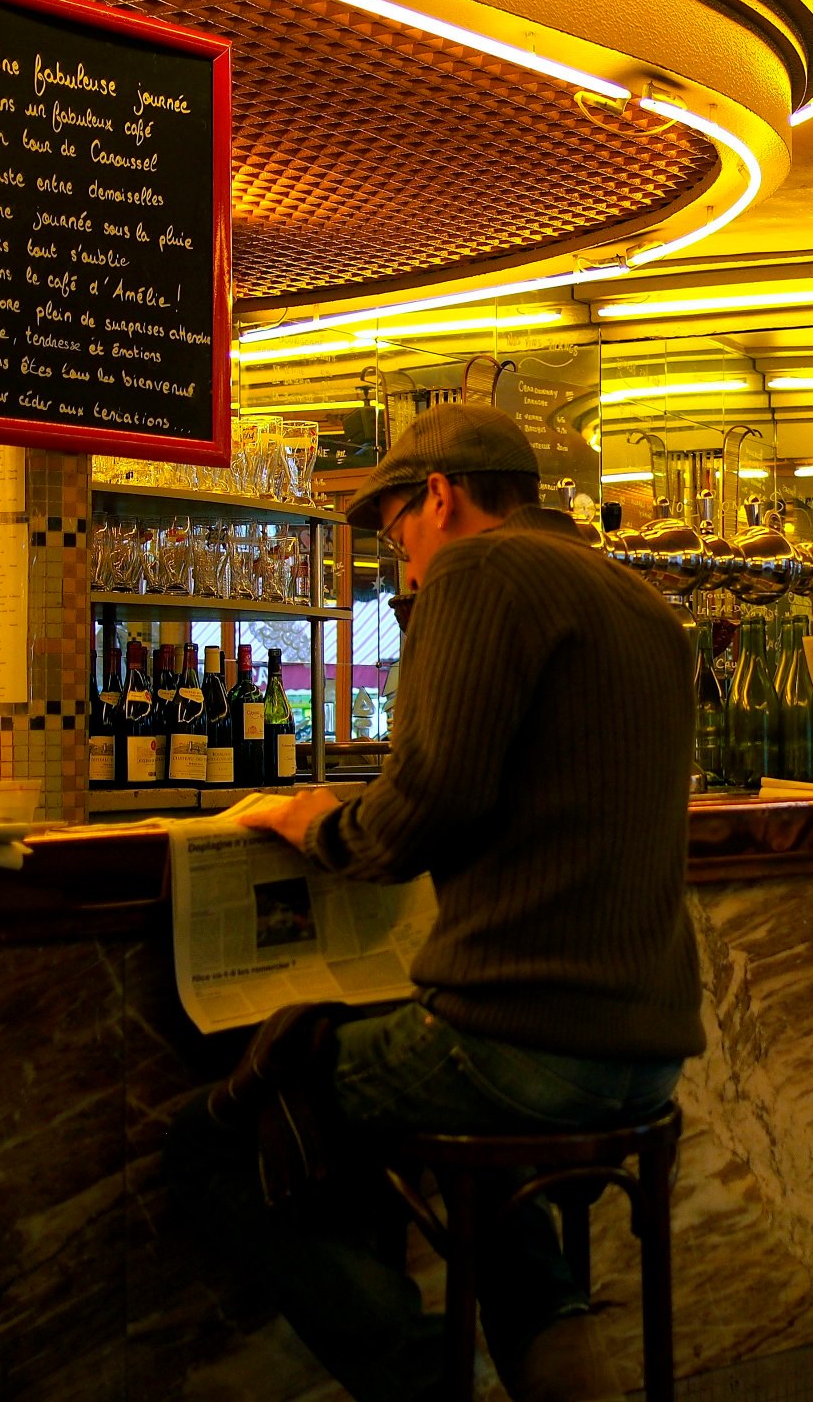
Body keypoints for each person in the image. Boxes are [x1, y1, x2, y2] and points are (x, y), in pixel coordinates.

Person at [165, 403, 704, 1402]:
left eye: (397, 531)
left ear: (441, 498)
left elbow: (421, 808)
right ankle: (561, 1368)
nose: (403, 566)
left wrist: (311, 821)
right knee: (491, 1178)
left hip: (521, 1040)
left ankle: (422, 1379)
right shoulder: (634, 598)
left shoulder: (477, 573)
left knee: (220, 1139)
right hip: (644, 1058)